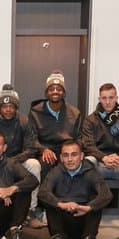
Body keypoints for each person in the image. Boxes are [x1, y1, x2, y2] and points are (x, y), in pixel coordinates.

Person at [81, 83, 119, 228]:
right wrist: (104, 158)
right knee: (87, 161)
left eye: (111, 97)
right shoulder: (91, 120)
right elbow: (88, 145)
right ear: (99, 99)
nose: (108, 102)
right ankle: (87, 206)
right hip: (100, 165)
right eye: (104, 98)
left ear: (116, 98)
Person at [38, 140, 112, 239]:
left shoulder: (91, 172)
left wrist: (88, 208)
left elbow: (106, 194)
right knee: (50, 202)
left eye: (74, 154)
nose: (70, 159)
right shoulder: (56, 171)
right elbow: (43, 192)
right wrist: (61, 205)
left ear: (82, 156)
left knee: (96, 202)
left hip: (84, 221)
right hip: (62, 223)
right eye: (66, 155)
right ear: (61, 157)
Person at [28, 70, 82, 228]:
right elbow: (32, 138)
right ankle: (45, 208)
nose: (55, 91)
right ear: (47, 92)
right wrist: (43, 149)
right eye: (51, 89)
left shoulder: (75, 112)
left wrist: (70, 153)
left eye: (59, 89)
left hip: (68, 149)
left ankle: (72, 205)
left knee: (77, 165)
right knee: (44, 165)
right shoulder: (35, 111)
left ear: (64, 92)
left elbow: (79, 138)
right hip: (45, 149)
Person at [0, 83, 41, 226]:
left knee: (34, 164)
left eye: (11, 107)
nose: (8, 109)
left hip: (18, 160)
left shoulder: (24, 121)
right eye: (4, 106)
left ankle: (30, 211)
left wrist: (13, 161)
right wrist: (2, 161)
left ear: (16, 108)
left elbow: (31, 148)